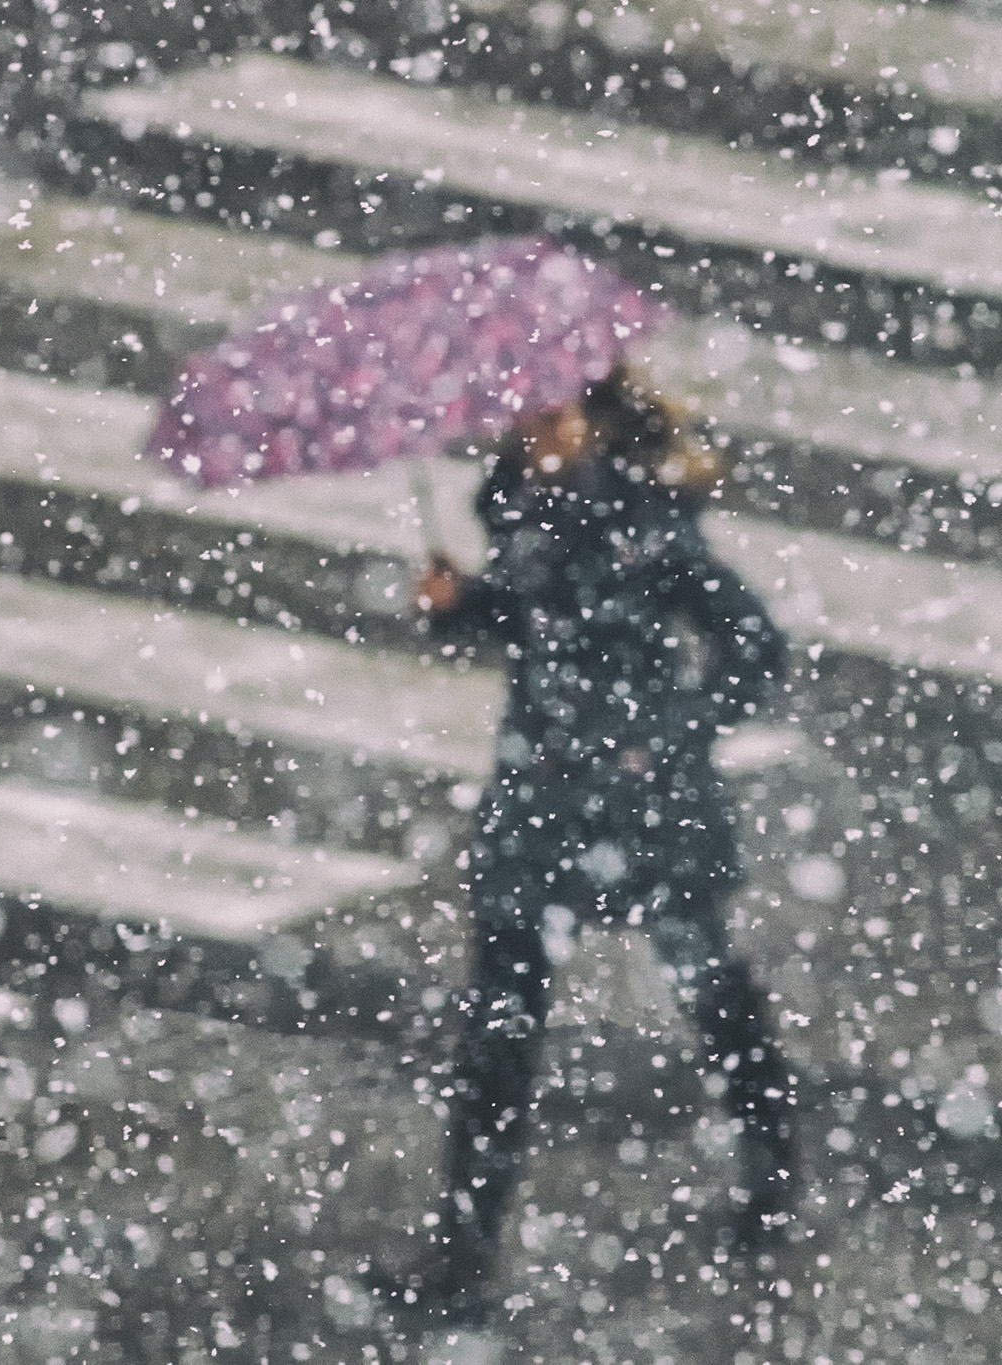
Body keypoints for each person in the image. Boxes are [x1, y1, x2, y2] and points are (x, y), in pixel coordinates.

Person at [403, 363, 797, 1319]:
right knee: (499, 1029)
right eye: (519, 407)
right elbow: (542, 628)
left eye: (552, 406)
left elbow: (752, 645)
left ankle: (770, 1161)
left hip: (640, 805)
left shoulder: (643, 517)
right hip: (540, 798)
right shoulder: (516, 507)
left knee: (706, 983)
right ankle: (462, 1257)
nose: (533, 424)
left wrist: (666, 736)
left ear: (590, 412)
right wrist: (464, 609)